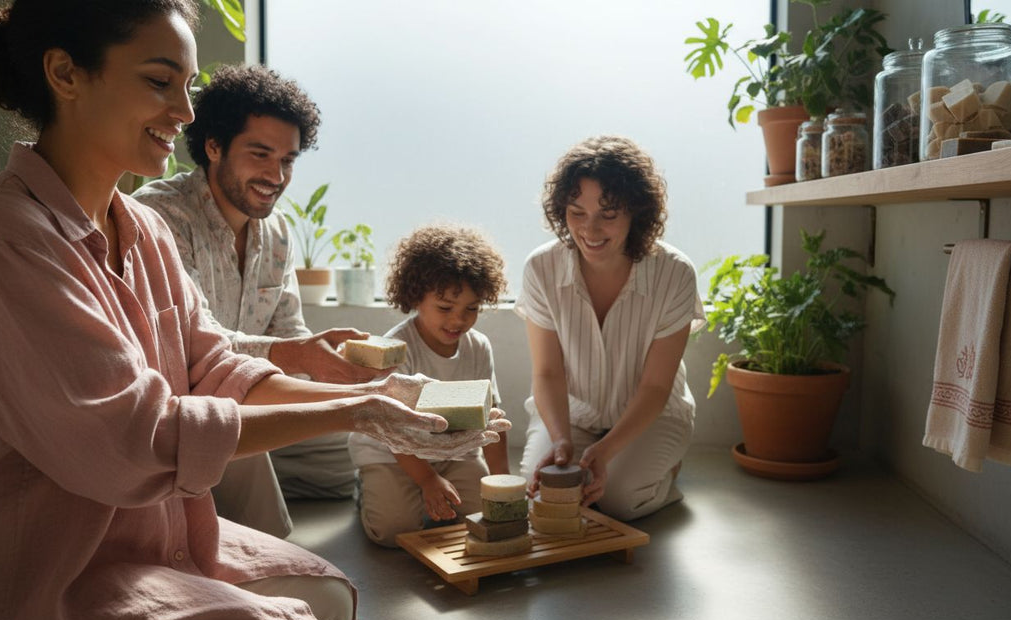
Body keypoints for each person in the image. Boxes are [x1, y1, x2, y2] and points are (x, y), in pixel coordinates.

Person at [0, 2, 505, 620]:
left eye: (188, 87)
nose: (184, 111)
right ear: (65, 74)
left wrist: (373, 394)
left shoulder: (143, 231)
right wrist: (356, 411)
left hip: (155, 528)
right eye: (159, 81)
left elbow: (213, 364)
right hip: (50, 563)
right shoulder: (3, 237)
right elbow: (134, 438)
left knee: (332, 594)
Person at [134, 65, 379, 537]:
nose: (276, 175)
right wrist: (297, 358)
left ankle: (223, 481)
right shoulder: (159, 215)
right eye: (260, 154)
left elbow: (289, 332)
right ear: (214, 146)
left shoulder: (278, 232)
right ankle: (239, 505)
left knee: (358, 448)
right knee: (231, 428)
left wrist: (334, 370)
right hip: (190, 400)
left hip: (258, 396)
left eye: (288, 160)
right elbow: (191, 348)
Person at [516, 135, 703, 522]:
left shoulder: (675, 273)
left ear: (636, 212)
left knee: (618, 501)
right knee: (541, 497)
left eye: (609, 214)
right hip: (573, 413)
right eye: (576, 212)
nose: (590, 228)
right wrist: (562, 441)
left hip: (652, 415)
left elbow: (656, 387)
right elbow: (547, 373)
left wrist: (604, 452)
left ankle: (666, 473)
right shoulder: (540, 268)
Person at [350, 225, 510, 547]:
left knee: (487, 516)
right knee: (394, 532)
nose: (458, 320)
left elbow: (491, 420)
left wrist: (503, 483)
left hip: (454, 450)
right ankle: (365, 488)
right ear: (416, 297)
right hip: (393, 452)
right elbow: (393, 429)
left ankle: (434, 494)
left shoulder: (478, 346)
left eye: (471, 309)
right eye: (445, 308)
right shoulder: (398, 348)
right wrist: (427, 479)